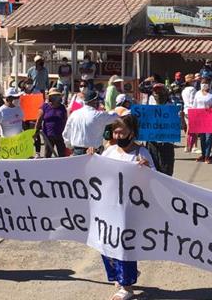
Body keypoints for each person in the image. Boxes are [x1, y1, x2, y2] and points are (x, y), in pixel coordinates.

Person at [100, 115, 154, 300]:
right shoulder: (109, 151)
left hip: (129, 209)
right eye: (116, 131)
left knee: (124, 244)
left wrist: (146, 168)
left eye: (122, 132)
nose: (118, 135)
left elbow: (155, 180)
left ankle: (127, 285)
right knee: (106, 242)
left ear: (132, 133)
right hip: (108, 205)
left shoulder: (141, 153)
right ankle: (119, 276)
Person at [62, 89, 118, 156]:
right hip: (93, 153)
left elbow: (66, 133)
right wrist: (113, 110)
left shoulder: (74, 114)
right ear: (95, 101)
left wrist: (70, 146)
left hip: (76, 151)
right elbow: (115, 116)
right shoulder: (98, 115)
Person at [146, 85, 179, 176]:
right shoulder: (149, 105)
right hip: (152, 143)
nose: (158, 94)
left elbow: (178, 126)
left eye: (160, 91)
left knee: (166, 171)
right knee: (151, 170)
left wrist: (181, 117)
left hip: (166, 144)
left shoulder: (171, 107)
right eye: (156, 92)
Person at [34, 88, 68, 158]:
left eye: (57, 96)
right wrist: (35, 132)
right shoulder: (44, 107)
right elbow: (39, 120)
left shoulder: (62, 107)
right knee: (47, 155)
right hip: (48, 135)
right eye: (53, 96)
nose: (55, 97)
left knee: (62, 155)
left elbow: (65, 120)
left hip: (60, 135)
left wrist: (66, 133)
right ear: (50, 97)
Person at [193, 77, 212, 163]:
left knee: (209, 138)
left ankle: (207, 156)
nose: (204, 84)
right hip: (200, 118)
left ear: (209, 84)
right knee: (202, 137)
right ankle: (203, 154)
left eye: (205, 83)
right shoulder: (197, 93)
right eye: (202, 83)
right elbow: (194, 105)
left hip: (210, 118)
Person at [181, 74, 197, 153]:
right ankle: (192, 146)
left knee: (188, 129)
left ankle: (187, 146)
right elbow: (192, 100)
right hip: (192, 109)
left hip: (186, 109)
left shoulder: (184, 90)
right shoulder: (192, 89)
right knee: (193, 129)